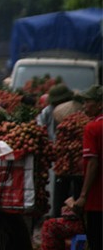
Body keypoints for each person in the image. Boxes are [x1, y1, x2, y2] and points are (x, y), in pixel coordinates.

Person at [36, 83, 74, 218]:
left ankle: (61, 213)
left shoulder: (73, 110)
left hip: (69, 154)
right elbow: (40, 128)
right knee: (54, 184)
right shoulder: (47, 111)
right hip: (54, 152)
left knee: (64, 185)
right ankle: (55, 214)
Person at [72, 97, 102, 250]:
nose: (84, 106)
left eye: (87, 102)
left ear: (100, 104)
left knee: (96, 240)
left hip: (98, 199)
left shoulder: (93, 128)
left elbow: (93, 163)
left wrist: (83, 196)